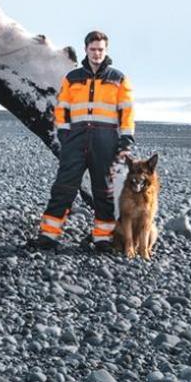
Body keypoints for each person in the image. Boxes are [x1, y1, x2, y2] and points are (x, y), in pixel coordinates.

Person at [32, 30, 134, 253]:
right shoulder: (72, 78)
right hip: (75, 140)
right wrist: (64, 134)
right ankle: (48, 236)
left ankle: (103, 239)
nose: (96, 53)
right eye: (92, 49)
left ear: (106, 51)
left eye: (100, 49)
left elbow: (126, 112)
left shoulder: (118, 79)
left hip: (106, 140)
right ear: (86, 49)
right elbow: (62, 108)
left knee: (104, 191)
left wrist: (126, 139)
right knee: (63, 188)